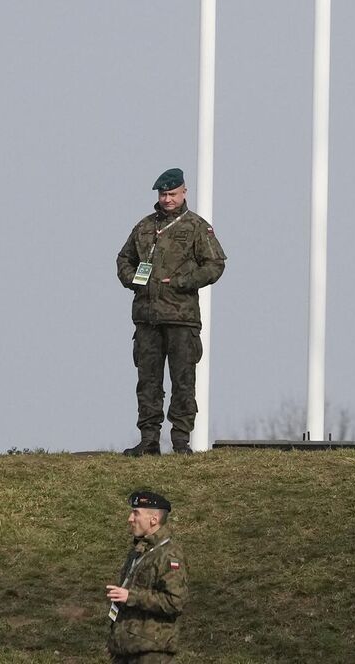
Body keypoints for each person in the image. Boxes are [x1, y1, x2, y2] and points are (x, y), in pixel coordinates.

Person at [116, 169, 227, 455]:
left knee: (183, 381)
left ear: (184, 192)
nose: (167, 200)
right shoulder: (143, 227)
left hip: (181, 318)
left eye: (172, 194)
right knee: (148, 382)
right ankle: (149, 440)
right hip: (147, 317)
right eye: (163, 195)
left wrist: (183, 282)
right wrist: (131, 279)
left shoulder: (197, 228)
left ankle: (181, 441)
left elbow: (215, 265)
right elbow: (124, 259)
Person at [106, 490, 187, 663]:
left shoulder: (169, 554)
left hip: (151, 652)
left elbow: (174, 602)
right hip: (126, 648)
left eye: (136, 513)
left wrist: (131, 596)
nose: (130, 518)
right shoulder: (140, 550)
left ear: (154, 519)